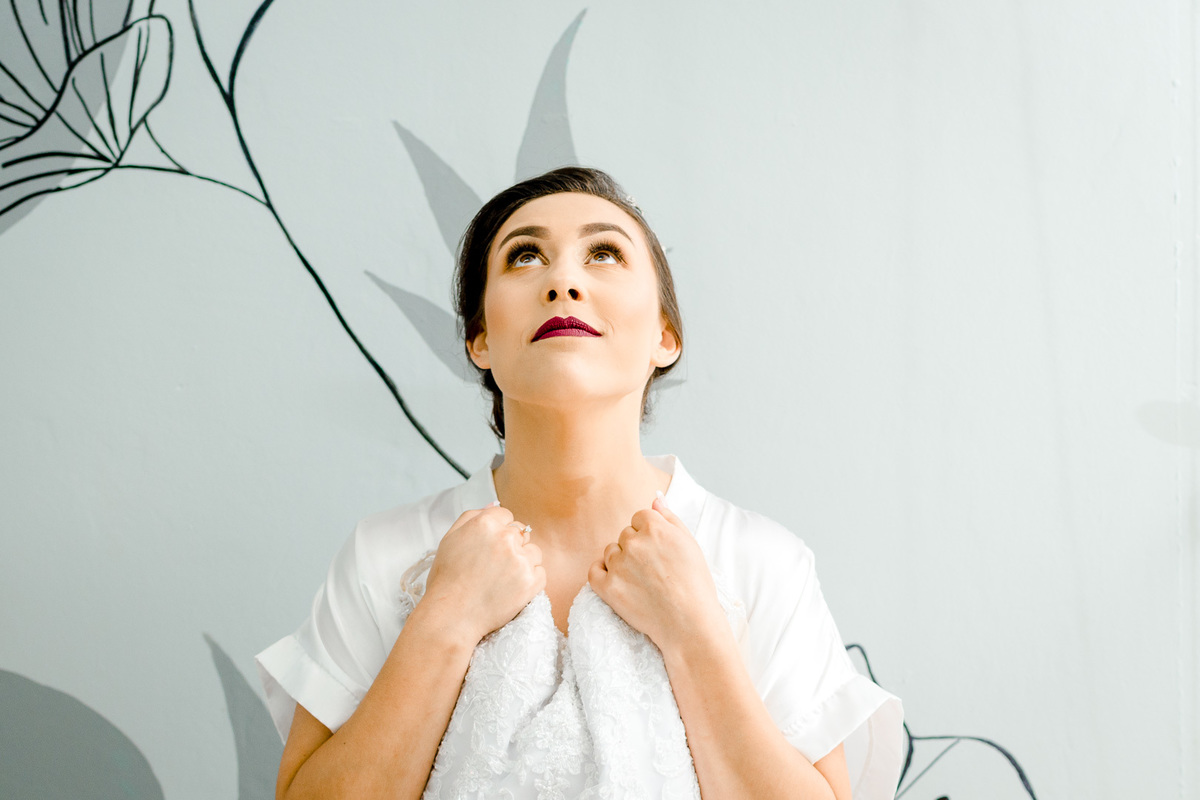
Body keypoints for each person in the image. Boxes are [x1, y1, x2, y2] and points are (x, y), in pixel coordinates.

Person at [255, 167, 904, 800]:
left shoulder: (760, 563)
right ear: (480, 338)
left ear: (664, 336)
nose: (563, 279)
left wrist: (695, 634)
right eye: (525, 256)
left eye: (603, 254)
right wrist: (443, 622)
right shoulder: (385, 557)